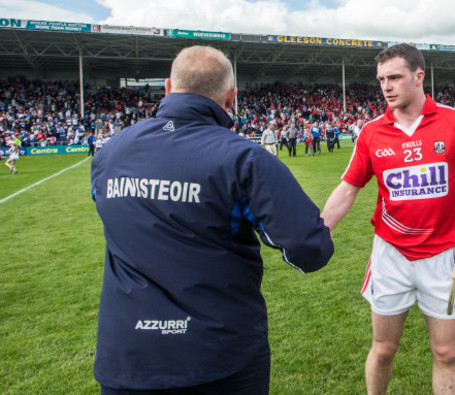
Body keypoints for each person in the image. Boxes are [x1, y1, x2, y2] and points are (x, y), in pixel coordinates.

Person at [90, 45, 334, 394]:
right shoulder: (244, 158)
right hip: (219, 354)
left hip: (127, 353)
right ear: (231, 97)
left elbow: (107, 207)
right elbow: (309, 248)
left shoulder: (111, 151)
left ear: (168, 88)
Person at [321, 44, 455, 395]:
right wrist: (319, 231)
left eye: (394, 77)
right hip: (391, 255)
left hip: (444, 257)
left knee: (446, 353)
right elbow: (348, 189)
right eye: (381, 79)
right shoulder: (371, 132)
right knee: (383, 350)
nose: (386, 86)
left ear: (419, 76)